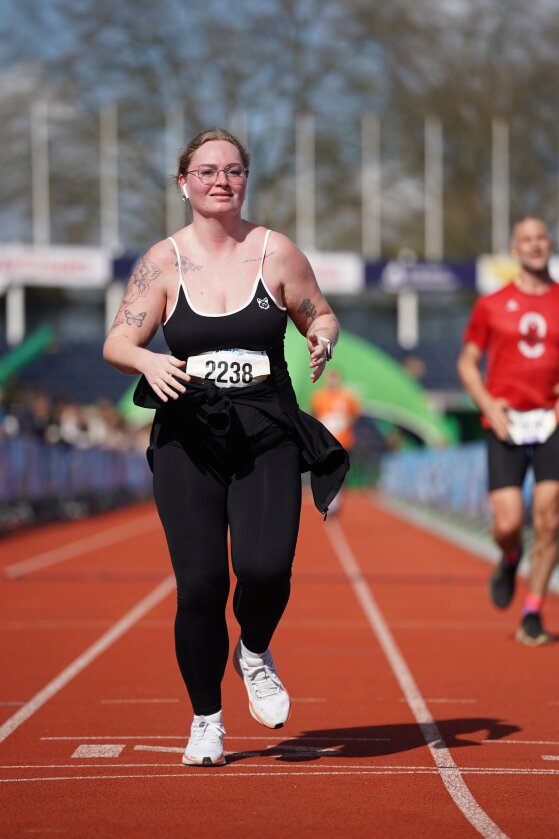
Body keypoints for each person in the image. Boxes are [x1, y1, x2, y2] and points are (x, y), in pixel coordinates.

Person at [103, 128, 348, 766]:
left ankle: (255, 651)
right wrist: (147, 362)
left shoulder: (276, 252)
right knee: (202, 585)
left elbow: (321, 313)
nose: (221, 180)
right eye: (207, 171)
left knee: (266, 570)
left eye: (233, 170)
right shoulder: (163, 262)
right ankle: (206, 719)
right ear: (183, 183)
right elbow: (117, 342)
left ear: (245, 180)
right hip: (189, 436)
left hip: (266, 430)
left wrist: (321, 337)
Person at [457, 216, 559, 646]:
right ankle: (511, 555)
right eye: (526, 239)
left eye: (541, 238)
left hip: (552, 420)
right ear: (514, 250)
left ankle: (532, 611)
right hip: (505, 422)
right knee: (508, 522)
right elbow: (467, 362)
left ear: (548, 244)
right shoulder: (492, 304)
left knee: (549, 519)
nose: (535, 245)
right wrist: (487, 402)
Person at [310, 367, 361, 514]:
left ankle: (335, 498)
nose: (332, 380)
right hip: (325, 442)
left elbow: (355, 414)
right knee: (325, 470)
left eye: (335, 377)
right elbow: (315, 415)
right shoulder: (319, 396)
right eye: (330, 377)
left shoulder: (347, 396)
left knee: (340, 471)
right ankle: (326, 497)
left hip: (344, 440)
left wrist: (343, 422)